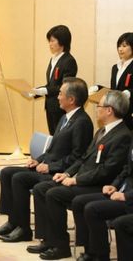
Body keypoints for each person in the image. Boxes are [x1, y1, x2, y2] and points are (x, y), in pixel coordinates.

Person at [27, 90, 131, 260]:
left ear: (109, 110)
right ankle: (50, 239)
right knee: (42, 188)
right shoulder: (102, 131)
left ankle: (63, 246)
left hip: (97, 184)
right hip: (84, 179)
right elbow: (83, 158)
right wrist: (67, 173)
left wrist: (76, 179)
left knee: (54, 194)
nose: (96, 109)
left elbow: (106, 171)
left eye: (99, 106)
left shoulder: (122, 136)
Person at [0, 77, 93, 243]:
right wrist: (37, 160)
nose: (57, 97)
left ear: (71, 99)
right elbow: (52, 149)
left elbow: (77, 157)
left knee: (19, 178)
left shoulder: (82, 122)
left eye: (60, 94)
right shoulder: (65, 117)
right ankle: (13, 221)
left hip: (58, 172)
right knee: (8, 172)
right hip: (45, 166)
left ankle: (23, 229)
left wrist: (50, 167)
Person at [71, 140, 133, 261]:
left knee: (94, 209)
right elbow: (127, 169)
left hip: (129, 199)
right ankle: (93, 253)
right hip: (123, 190)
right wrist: (114, 185)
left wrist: (127, 196)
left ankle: (99, 256)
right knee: (80, 202)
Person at [32, 25, 78, 135]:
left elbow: (65, 87)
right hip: (50, 106)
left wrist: (44, 91)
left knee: (60, 137)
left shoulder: (68, 61)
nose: (50, 44)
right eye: (49, 41)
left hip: (61, 107)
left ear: (62, 41)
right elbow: (51, 84)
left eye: (53, 41)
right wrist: (35, 91)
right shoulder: (53, 59)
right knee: (53, 136)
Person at [90, 32, 133, 130]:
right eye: (119, 46)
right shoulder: (115, 67)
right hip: (115, 113)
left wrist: (129, 92)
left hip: (129, 112)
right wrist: (99, 88)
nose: (120, 49)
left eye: (124, 46)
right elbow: (114, 90)